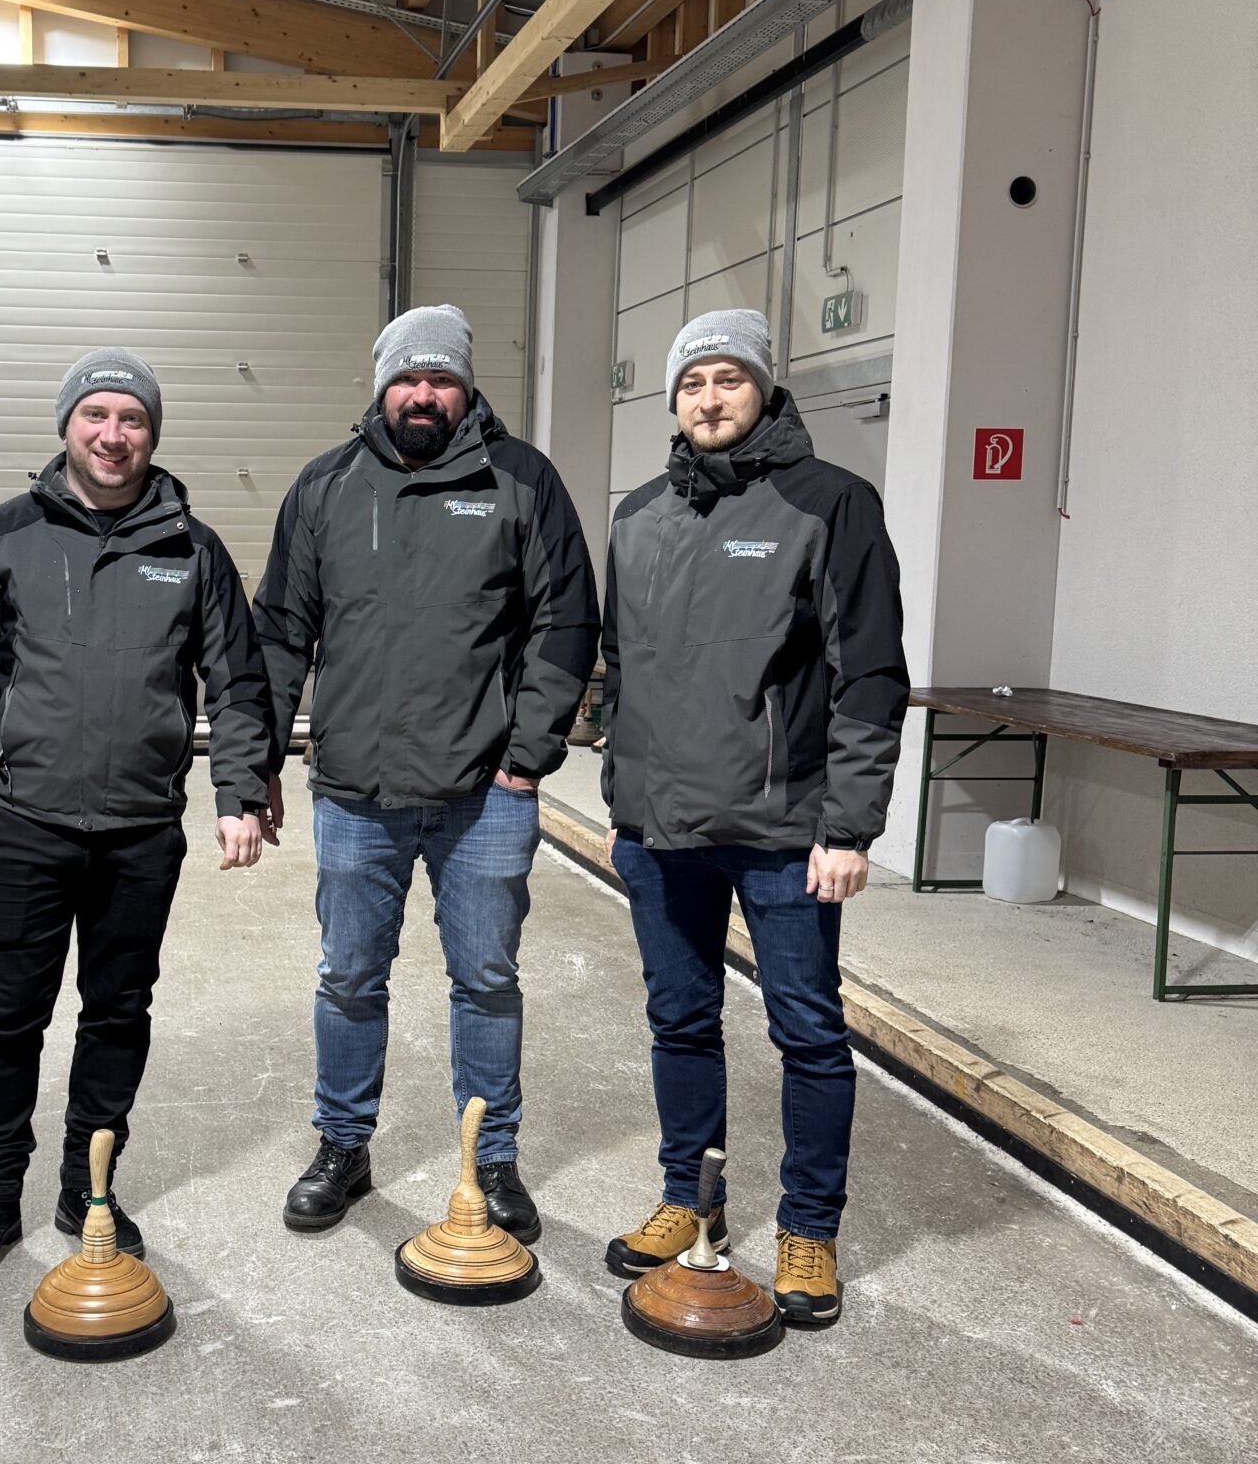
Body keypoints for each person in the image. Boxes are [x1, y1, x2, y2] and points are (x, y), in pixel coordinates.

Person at [0, 351, 272, 1282]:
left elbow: (238, 683)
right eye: (96, 415)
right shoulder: (6, 535)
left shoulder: (193, 549)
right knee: (8, 1017)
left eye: (132, 419)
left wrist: (238, 793)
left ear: (152, 435)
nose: (113, 435)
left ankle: (90, 1185)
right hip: (25, 822)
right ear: (67, 425)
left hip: (140, 829)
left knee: (118, 1011)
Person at [254, 304, 598, 1240]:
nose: (422, 394)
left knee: (485, 980)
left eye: (440, 378)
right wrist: (259, 764)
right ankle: (343, 1144)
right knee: (348, 978)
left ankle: (491, 1159)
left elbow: (564, 623)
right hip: (354, 793)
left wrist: (526, 757)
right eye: (407, 377)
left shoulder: (521, 480)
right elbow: (280, 631)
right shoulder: (326, 486)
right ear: (381, 387)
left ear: (465, 388)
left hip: (484, 794)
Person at [600, 308, 908, 1328]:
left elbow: (870, 675)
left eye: (728, 378)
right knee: (679, 1019)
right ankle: (690, 1196)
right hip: (662, 832)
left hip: (784, 832)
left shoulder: (830, 503)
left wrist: (850, 827)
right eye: (692, 383)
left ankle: (809, 1227)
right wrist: (623, 802)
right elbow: (621, 671)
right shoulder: (640, 514)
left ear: (765, 388)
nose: (709, 398)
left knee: (807, 1031)